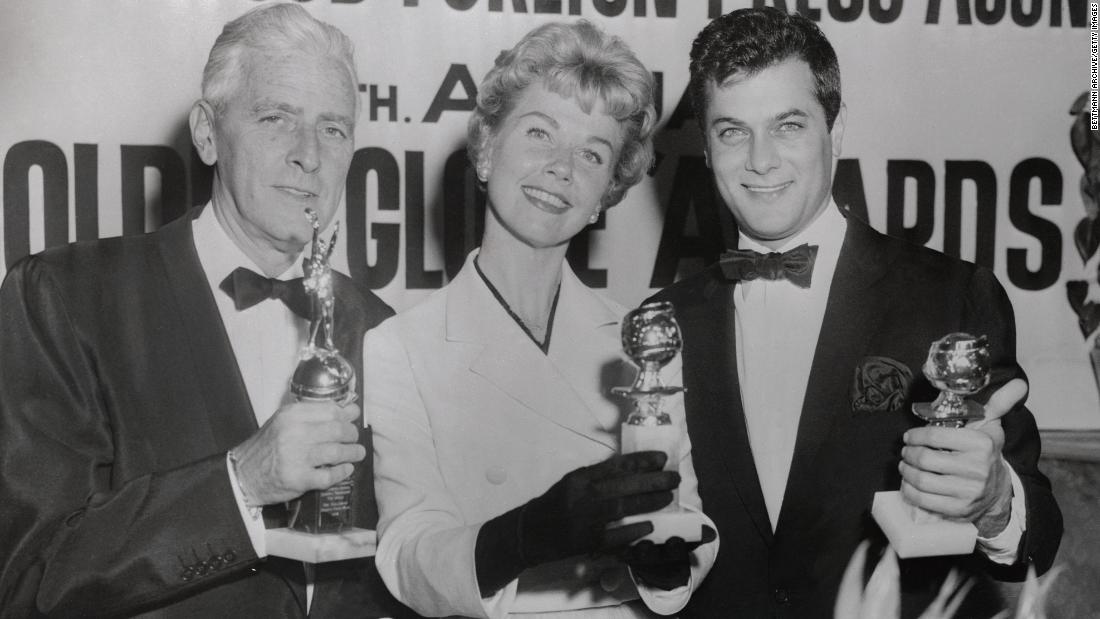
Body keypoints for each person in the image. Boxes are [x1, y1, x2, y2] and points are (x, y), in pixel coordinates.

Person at [645, 7, 1063, 618]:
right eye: (732, 131)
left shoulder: (952, 296)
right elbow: (669, 554)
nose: (760, 160)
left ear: (835, 132)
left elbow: (1040, 538)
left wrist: (996, 501)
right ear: (706, 149)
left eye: (788, 125)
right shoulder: (664, 323)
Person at [0, 4, 412, 617]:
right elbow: (30, 582)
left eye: (334, 128)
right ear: (207, 133)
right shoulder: (65, 297)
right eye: (276, 117)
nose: (309, 155)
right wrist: (241, 482)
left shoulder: (384, 329)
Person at [364, 20, 718, 618]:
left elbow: (690, 513)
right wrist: (526, 535)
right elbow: (407, 552)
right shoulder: (400, 346)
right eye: (539, 134)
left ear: (608, 192)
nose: (561, 168)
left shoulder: (642, 339)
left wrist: (669, 565)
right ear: (485, 148)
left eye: (592, 155)